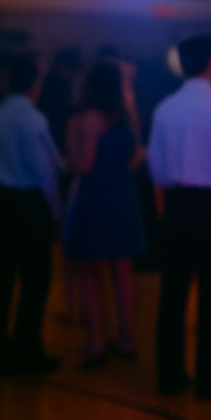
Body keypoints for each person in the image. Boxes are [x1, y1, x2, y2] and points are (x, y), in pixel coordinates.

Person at [147, 34, 211, 398]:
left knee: (172, 296)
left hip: (177, 205)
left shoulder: (164, 108)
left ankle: (170, 375)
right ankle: (209, 378)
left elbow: (156, 168)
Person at [63, 60, 146, 367]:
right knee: (122, 271)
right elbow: (136, 160)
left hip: (95, 195)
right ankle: (127, 338)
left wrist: (68, 156)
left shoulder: (89, 119)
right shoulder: (127, 119)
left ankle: (96, 342)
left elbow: (83, 165)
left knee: (89, 270)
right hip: (123, 195)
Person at [0, 53, 62, 374]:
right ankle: (28, 349)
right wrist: (55, 211)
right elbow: (44, 172)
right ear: (35, 84)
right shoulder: (33, 120)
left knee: (1, 280)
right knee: (36, 280)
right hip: (28, 205)